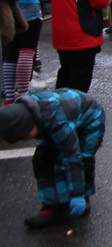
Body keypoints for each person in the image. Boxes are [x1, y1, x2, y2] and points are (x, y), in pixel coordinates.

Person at [0, 88, 105, 229]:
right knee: (42, 159)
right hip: (61, 119)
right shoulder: (31, 112)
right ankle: (54, 207)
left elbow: (72, 157)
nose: (26, 141)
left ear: (29, 124)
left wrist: (77, 194)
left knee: (82, 158)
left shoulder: (57, 122)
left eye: (25, 136)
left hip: (91, 120)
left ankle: (83, 197)